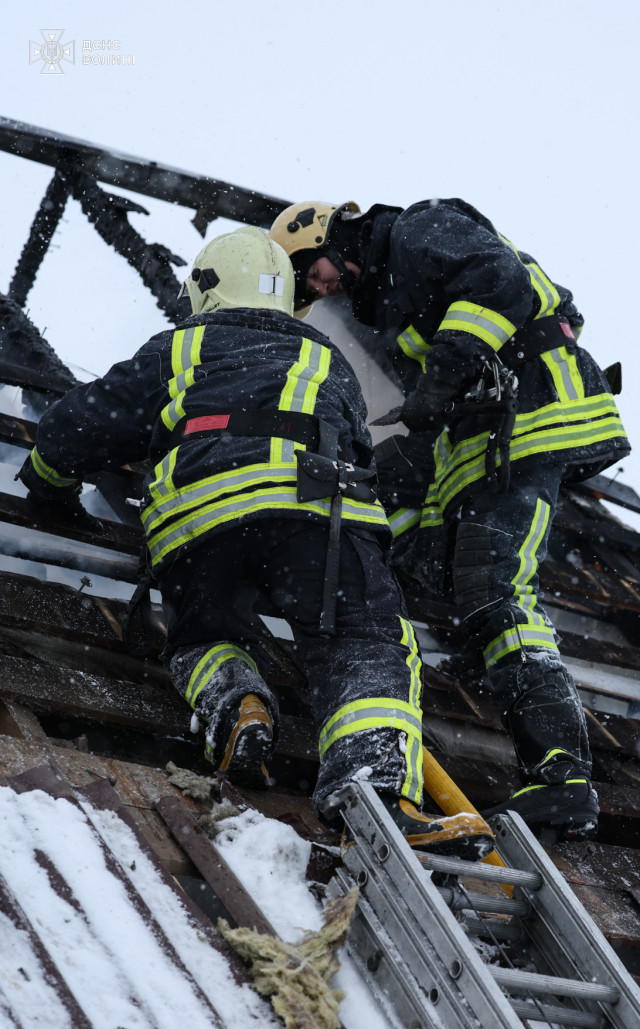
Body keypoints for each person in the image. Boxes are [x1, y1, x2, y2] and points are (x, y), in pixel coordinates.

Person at [17, 226, 493, 859]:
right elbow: (355, 452)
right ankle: (376, 799)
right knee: (363, 639)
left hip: (197, 520)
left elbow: (72, 430)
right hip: (315, 510)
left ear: (206, 290)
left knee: (203, 634)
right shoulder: (329, 359)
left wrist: (48, 487)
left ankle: (237, 703)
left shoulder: (177, 347)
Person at [270, 199, 631, 839]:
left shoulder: (417, 228)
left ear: (327, 233)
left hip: (533, 420)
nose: (322, 287)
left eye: (315, 270)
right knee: (417, 563)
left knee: (498, 591)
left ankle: (562, 778)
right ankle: (476, 660)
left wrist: (440, 377)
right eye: (310, 287)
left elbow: (499, 282)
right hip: (477, 447)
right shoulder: (389, 299)